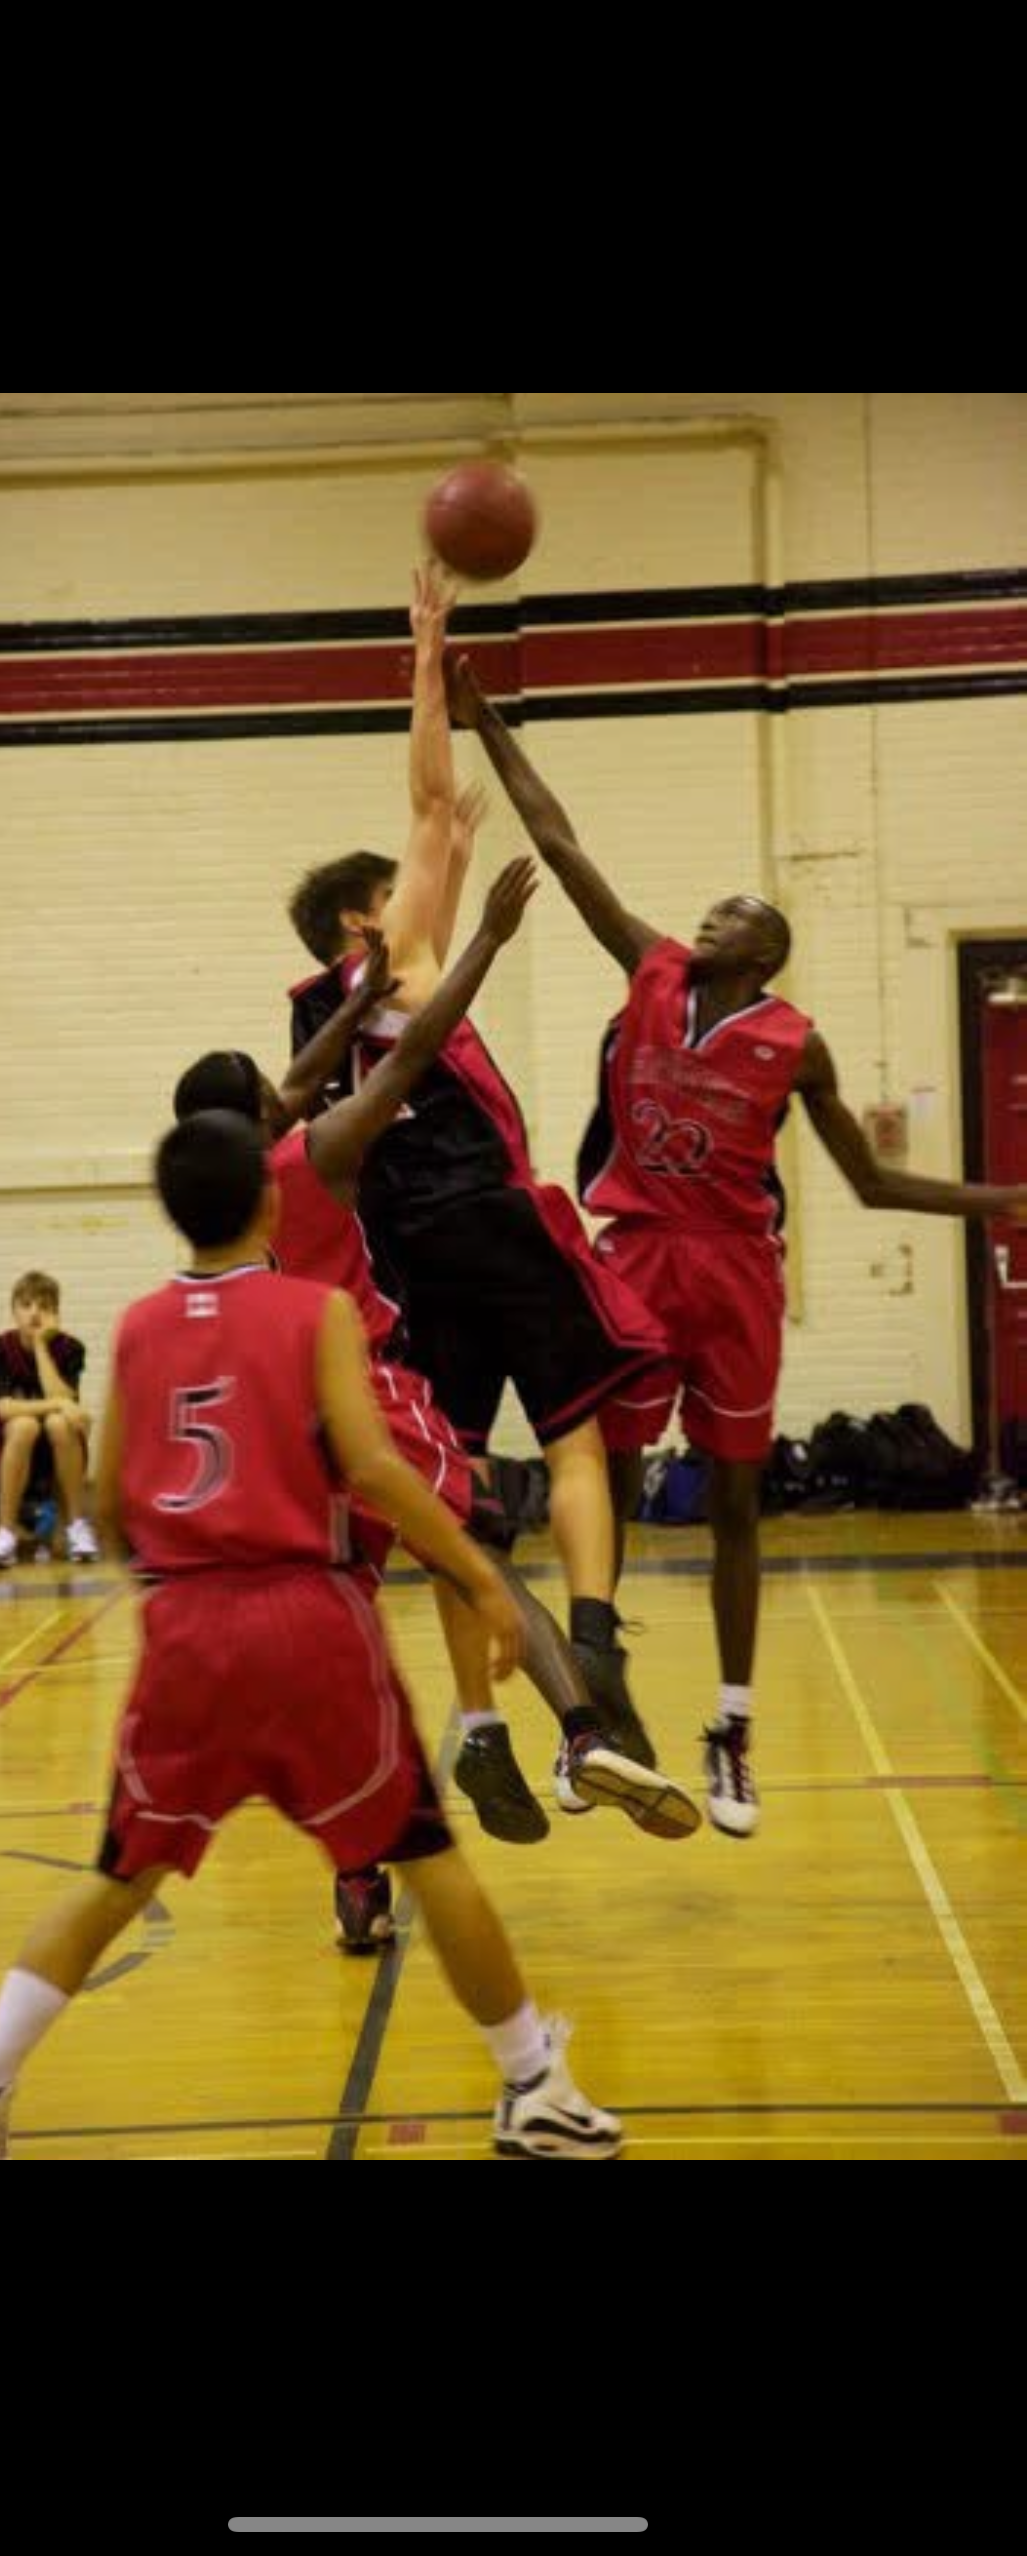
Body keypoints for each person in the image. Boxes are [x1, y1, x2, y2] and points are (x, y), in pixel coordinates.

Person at [0, 1111, 623, 2162]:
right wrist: (485, 1581)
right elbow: (378, 1470)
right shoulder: (315, 1311)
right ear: (270, 1200)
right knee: (425, 1852)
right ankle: (531, 2086)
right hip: (303, 1618)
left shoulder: (142, 1326)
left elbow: (108, 1501)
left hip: (184, 1628)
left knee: (118, 1872)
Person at [447, 648, 1027, 1838]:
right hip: (635, 1254)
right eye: (709, 908)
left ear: (764, 952)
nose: (705, 916)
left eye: (732, 913)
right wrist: (485, 717)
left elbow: (865, 1182)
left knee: (738, 1506)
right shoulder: (652, 972)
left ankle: (732, 1725)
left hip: (736, 1274)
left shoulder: (796, 1043)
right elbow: (561, 842)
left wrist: (995, 1200)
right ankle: (595, 1703)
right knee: (593, 1476)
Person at [176, 870, 699, 1942]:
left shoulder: (211, 1205)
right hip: (366, 1398)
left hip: (282, 1444)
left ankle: (361, 1877)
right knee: (481, 1558)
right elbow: (411, 1060)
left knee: (348, 1659)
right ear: (269, 1109)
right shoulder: (314, 1154)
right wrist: (489, 944)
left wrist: (356, 1005)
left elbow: (300, 1078)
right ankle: (582, 1731)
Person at [284, 570, 673, 1843]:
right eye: (395, 888)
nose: (422, 881)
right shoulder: (385, 964)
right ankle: (600, 1654)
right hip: (483, 1225)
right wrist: (427, 652)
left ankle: (486, 1727)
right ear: (362, 915)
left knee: (460, 1503)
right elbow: (437, 804)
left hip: (399, 1265)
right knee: (572, 1432)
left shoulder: (309, 1024)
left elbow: (437, 818)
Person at [0, 1274, 99, 1569]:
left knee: (58, 1424)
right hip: (12, 1443)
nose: (34, 1312)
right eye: (26, 1305)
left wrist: (42, 1346)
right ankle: (5, 1532)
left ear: (56, 1313)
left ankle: (76, 1526)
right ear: (13, 1310)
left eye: (44, 1306)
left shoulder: (71, 1347)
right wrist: (59, 1404)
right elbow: (4, 1407)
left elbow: (63, 1397)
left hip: (59, 1442)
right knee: (24, 1424)